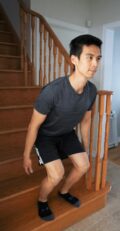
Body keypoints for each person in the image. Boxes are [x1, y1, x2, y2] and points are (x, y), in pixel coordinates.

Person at [22, 34, 102, 221]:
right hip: (46, 137)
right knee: (57, 174)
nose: (95, 64)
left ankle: (64, 192)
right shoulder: (52, 91)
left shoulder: (92, 90)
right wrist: (26, 155)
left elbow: (85, 121)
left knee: (84, 165)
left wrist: (86, 147)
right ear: (74, 60)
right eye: (89, 57)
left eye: (98, 58)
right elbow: (33, 126)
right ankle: (42, 200)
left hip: (67, 134)